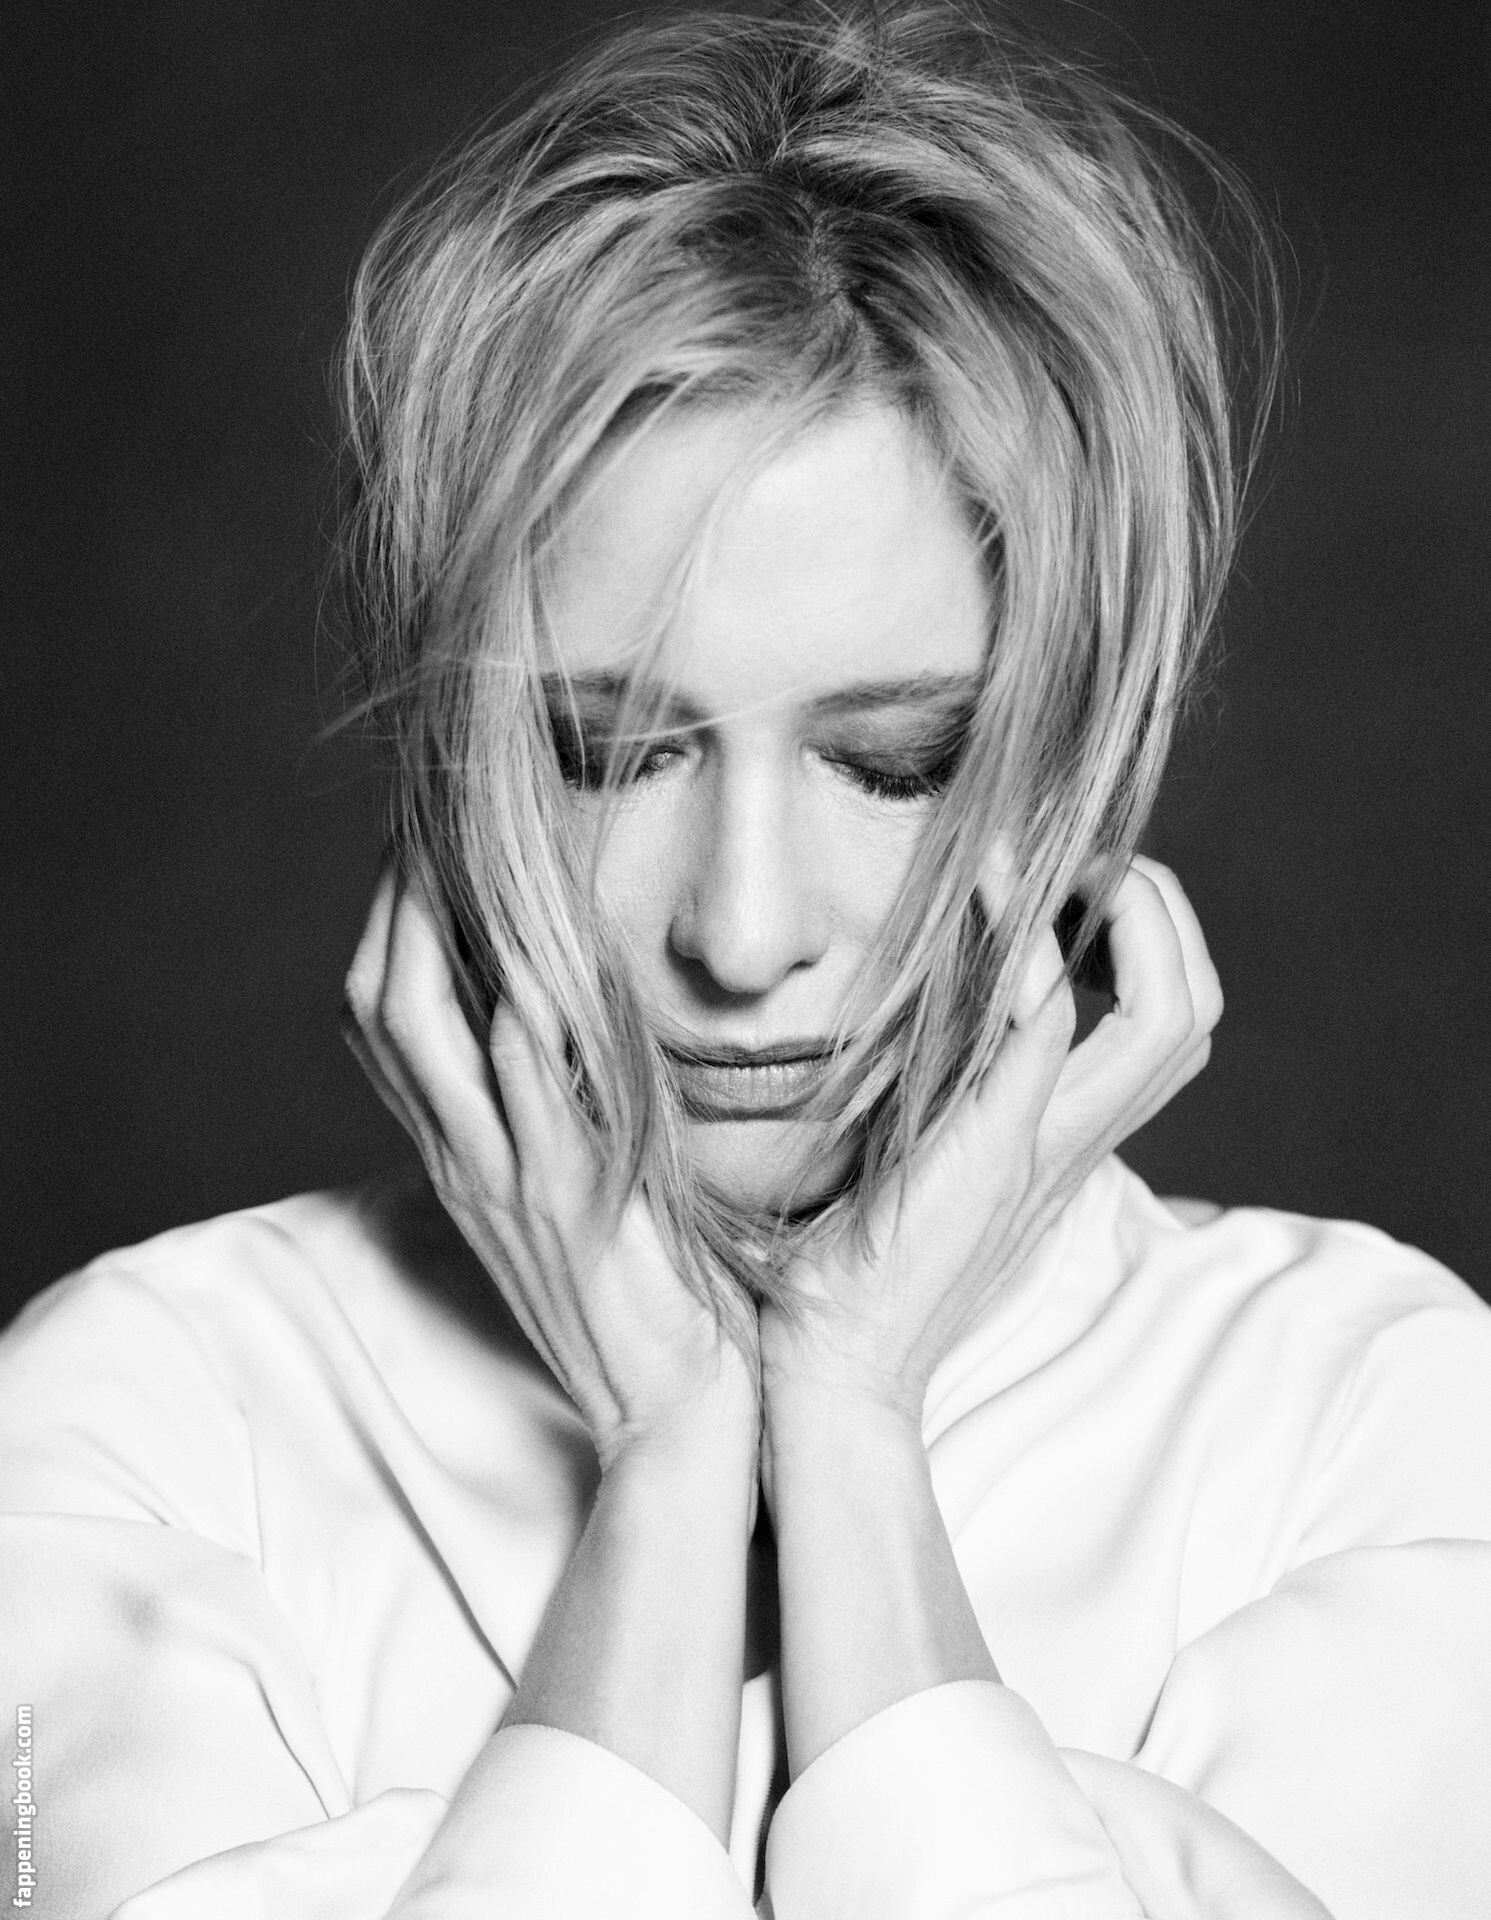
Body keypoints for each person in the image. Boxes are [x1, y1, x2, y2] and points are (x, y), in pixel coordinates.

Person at [3, 5, 1489, 1916]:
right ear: (451, 763)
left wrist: (848, 1414)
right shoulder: (143, 1412)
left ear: (1076, 768)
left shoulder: (1374, 1415)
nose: (743, 931)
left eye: (898, 763)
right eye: (607, 754)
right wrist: (669, 1453)